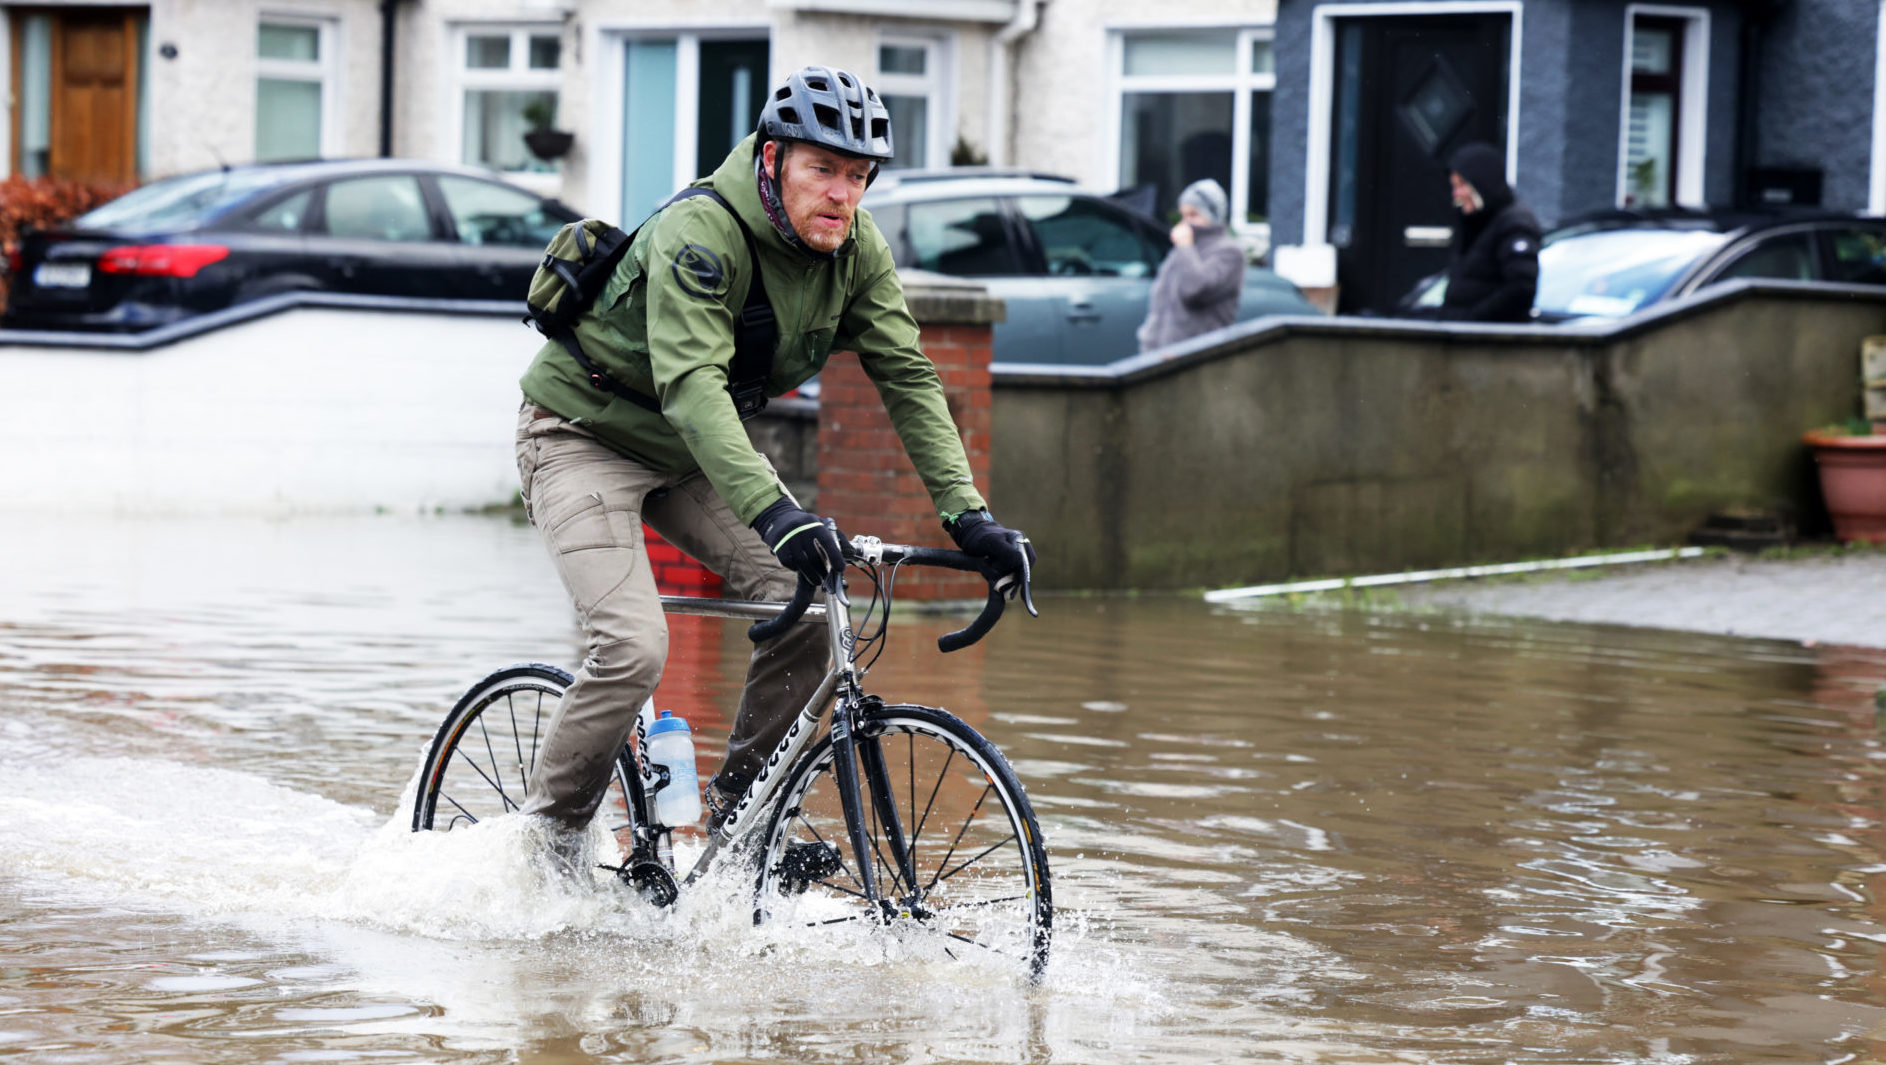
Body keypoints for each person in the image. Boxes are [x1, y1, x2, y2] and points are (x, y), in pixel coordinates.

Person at [511, 66, 1035, 859]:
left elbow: (910, 378)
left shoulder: (856, 251)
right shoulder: (703, 234)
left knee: (813, 602)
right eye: (822, 169)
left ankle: (733, 829)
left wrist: (970, 516)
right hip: (579, 435)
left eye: (858, 176)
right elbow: (691, 388)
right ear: (771, 159)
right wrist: (778, 512)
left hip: (690, 454)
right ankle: (538, 854)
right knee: (633, 648)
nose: (842, 195)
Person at [1136, 178, 1245, 352]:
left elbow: (1194, 290)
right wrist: (1148, 341)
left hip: (1197, 361)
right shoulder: (1182, 250)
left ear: (1213, 215)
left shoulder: (1229, 253)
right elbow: (1160, 304)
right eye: (1183, 215)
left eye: (1193, 215)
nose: (1186, 223)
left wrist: (1186, 247)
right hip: (1161, 357)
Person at [1437, 141, 1541, 323]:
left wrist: (1473, 322)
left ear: (1482, 182)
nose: (1456, 194)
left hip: (1489, 346)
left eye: (1461, 185)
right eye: (1454, 186)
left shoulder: (1514, 223)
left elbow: (1521, 288)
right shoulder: (1478, 222)